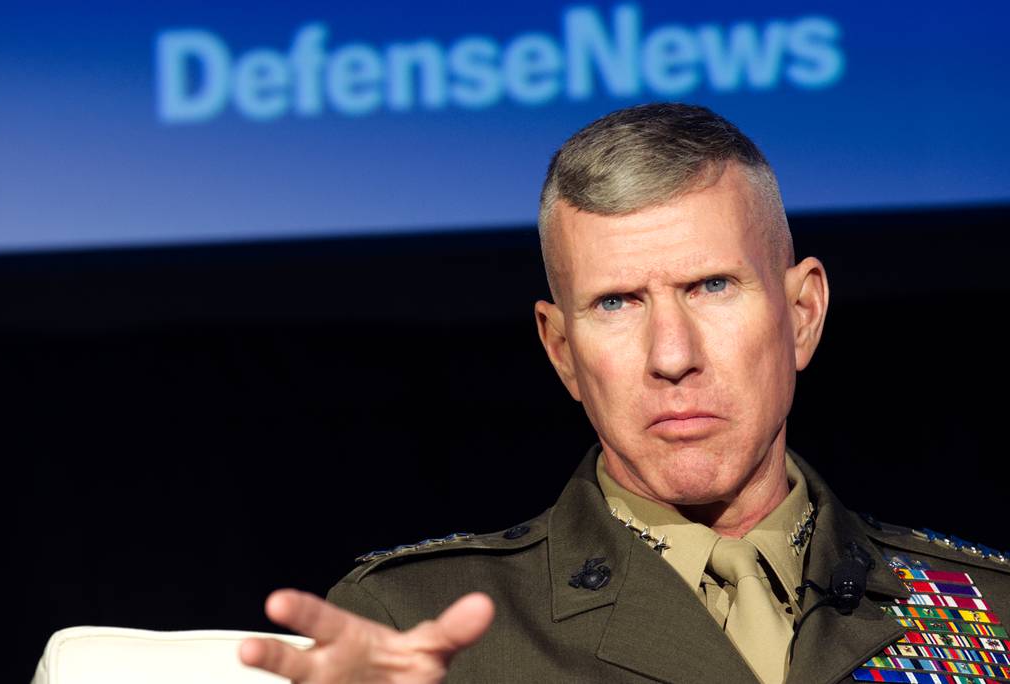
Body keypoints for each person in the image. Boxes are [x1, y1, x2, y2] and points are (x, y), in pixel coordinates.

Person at [238, 104, 1010, 683]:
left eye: (711, 286)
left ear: (802, 314)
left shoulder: (990, 611)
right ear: (562, 352)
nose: (672, 357)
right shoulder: (414, 624)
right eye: (616, 303)